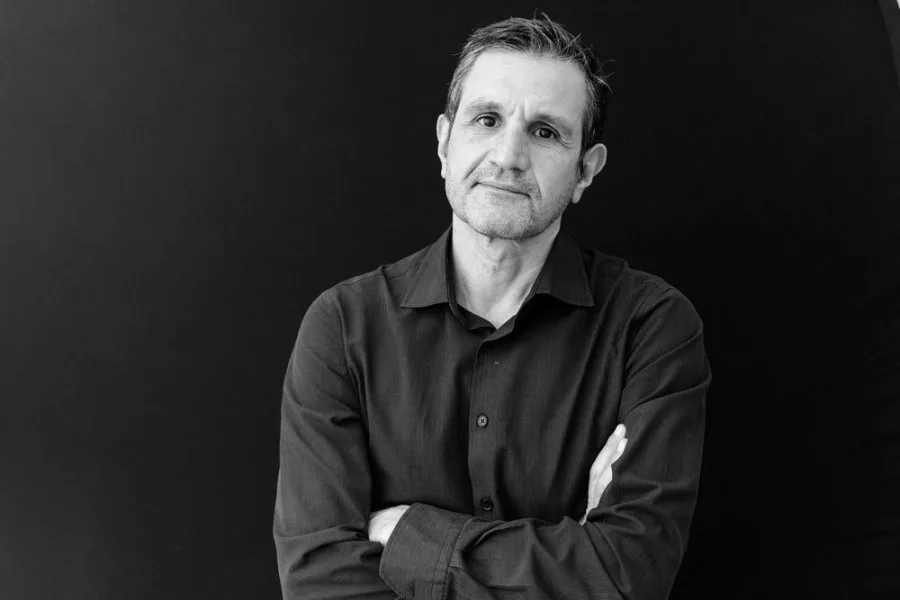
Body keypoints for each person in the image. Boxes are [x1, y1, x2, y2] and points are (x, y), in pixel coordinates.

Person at [274, 14, 711, 600]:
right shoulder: (342, 327)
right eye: (486, 120)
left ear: (586, 169)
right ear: (444, 143)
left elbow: (631, 575)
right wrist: (573, 559)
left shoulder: (651, 328)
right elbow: (317, 582)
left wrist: (407, 536)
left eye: (545, 132)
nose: (508, 156)